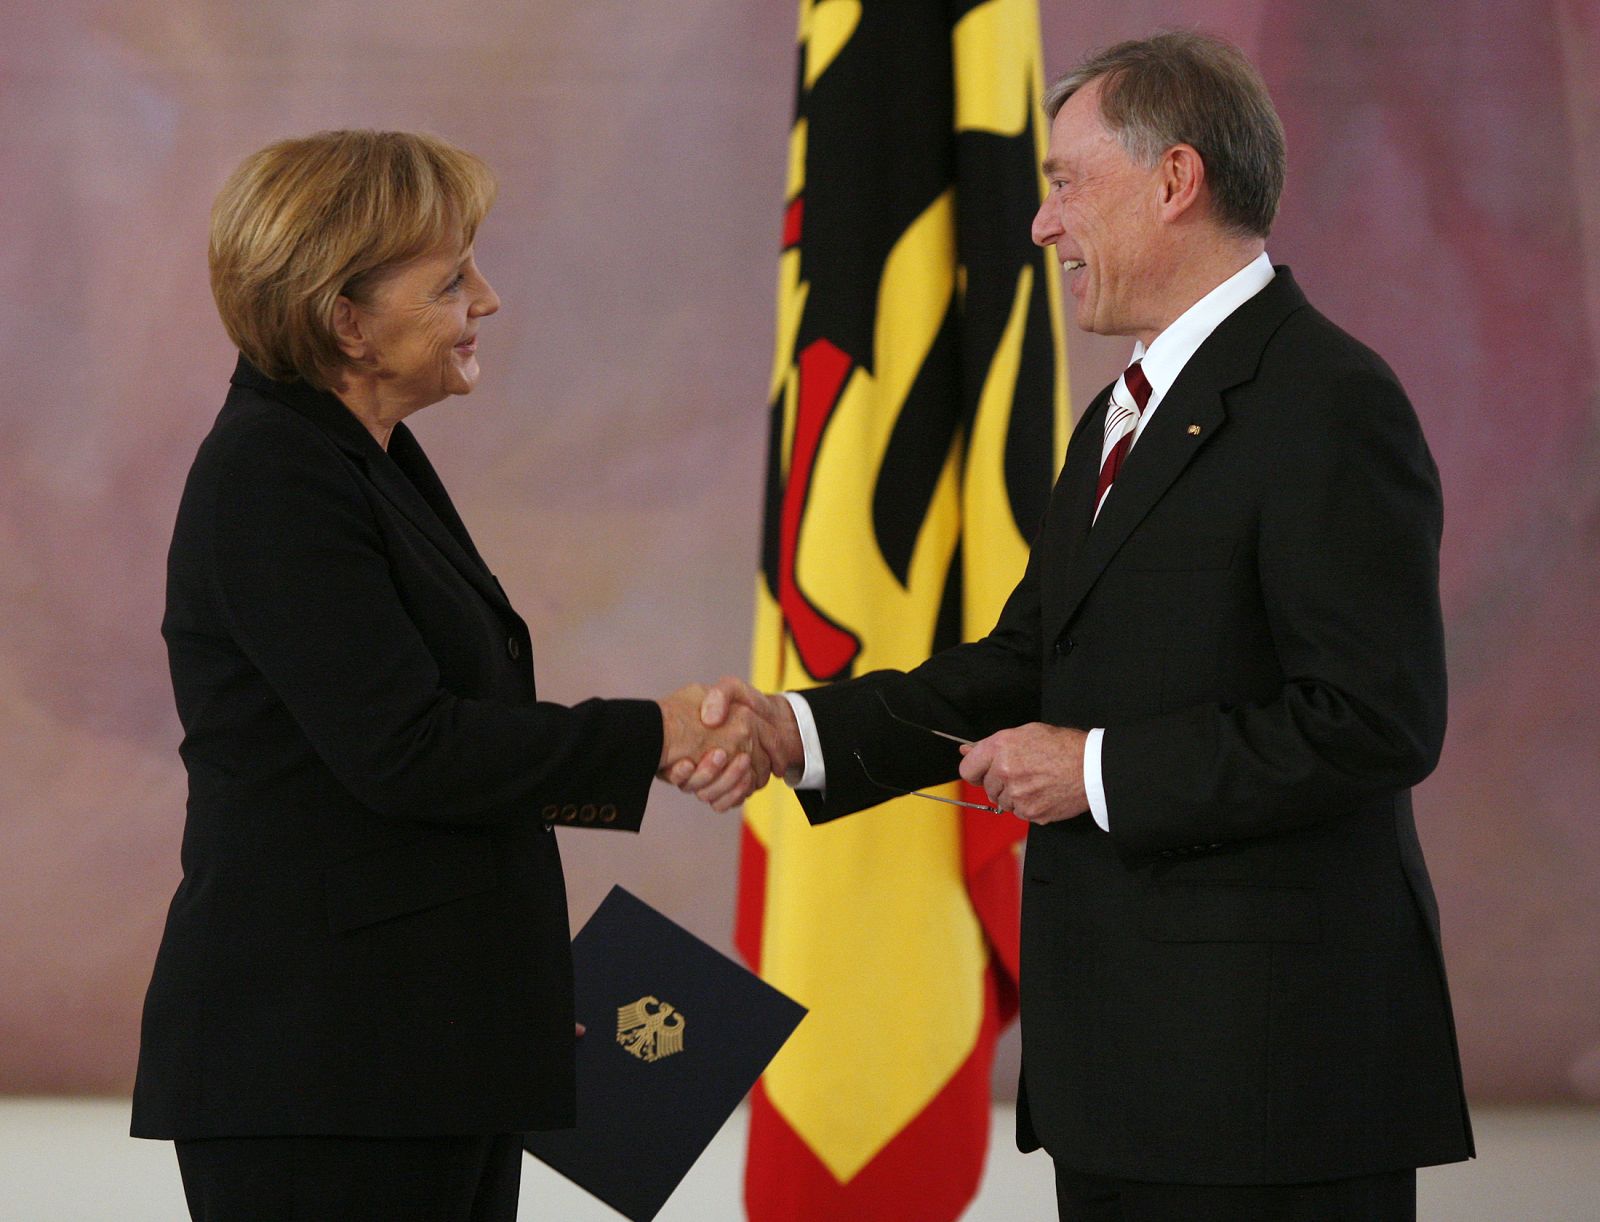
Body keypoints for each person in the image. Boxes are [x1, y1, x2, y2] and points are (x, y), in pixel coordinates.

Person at [677, 32, 1473, 1221]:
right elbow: (1022, 662)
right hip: (1128, 1081)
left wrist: (1091, 768)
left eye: (1062, 182)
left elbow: (1371, 722)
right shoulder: (1121, 409)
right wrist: (801, 731)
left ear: (1174, 182)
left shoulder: (1328, 402)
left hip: (1269, 1090)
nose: (1040, 225)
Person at [130, 129, 763, 1222]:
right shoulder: (271, 474)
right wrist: (648, 736)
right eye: (451, 278)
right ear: (346, 320)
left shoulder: (359, 460)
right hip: (322, 1078)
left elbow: (433, 766)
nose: (490, 298)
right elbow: (409, 751)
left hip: (422, 1055)